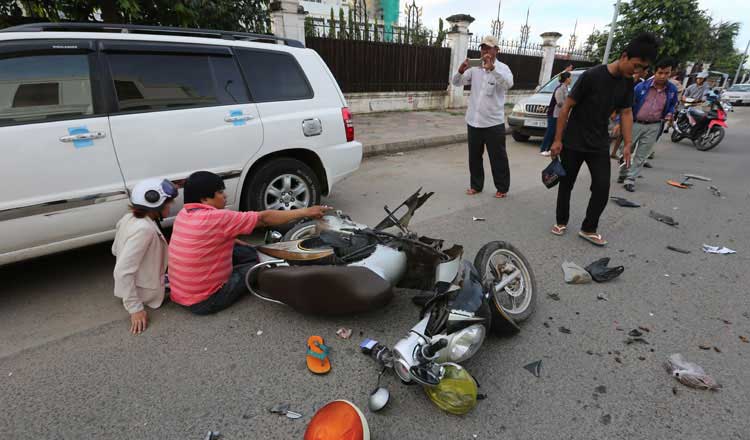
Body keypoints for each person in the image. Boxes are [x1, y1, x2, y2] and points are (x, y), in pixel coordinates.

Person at [168, 171, 330, 315]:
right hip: (205, 301)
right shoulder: (218, 218)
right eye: (219, 192)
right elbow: (264, 218)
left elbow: (215, 238)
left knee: (249, 251)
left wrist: (241, 244)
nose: (225, 196)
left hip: (181, 293)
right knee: (260, 267)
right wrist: (306, 211)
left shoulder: (184, 213)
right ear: (204, 199)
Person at [549, 33, 658, 247]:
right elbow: (567, 107)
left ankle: (589, 228)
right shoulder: (592, 75)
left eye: (641, 69)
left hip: (599, 142)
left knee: (601, 186)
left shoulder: (627, 83)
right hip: (573, 140)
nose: (636, 72)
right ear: (624, 56)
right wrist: (557, 139)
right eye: (636, 66)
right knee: (566, 183)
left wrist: (627, 144)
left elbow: (626, 112)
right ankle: (561, 221)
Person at [112, 178, 178, 334]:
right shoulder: (144, 230)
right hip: (147, 292)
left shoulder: (128, 218)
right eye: (168, 203)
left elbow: (115, 250)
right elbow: (122, 272)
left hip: (145, 280)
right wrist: (135, 309)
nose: (170, 207)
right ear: (155, 203)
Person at [451, 35, 514, 199]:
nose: (485, 51)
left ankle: (502, 188)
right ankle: (476, 186)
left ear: (496, 50)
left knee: (498, 157)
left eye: (488, 48)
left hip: (493, 123)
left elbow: (508, 85)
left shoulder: (503, 68)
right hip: (473, 121)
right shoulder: (475, 67)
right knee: (474, 157)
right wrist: (460, 70)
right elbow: (456, 83)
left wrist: (492, 69)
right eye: (483, 48)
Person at [617, 58, 678, 192]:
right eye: (660, 73)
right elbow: (627, 106)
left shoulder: (672, 90)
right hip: (635, 123)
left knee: (641, 155)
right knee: (626, 151)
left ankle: (630, 179)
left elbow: (673, 105)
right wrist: (620, 122)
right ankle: (623, 173)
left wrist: (669, 113)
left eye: (667, 73)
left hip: (654, 125)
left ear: (670, 73)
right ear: (655, 72)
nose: (663, 76)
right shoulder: (641, 87)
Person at [539, 72, 572, 156]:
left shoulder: (565, 88)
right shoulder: (560, 88)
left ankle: (550, 149)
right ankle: (543, 149)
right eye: (570, 77)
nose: (571, 79)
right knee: (551, 131)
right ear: (566, 79)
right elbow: (559, 102)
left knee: (555, 132)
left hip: (559, 114)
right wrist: (568, 105)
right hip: (554, 113)